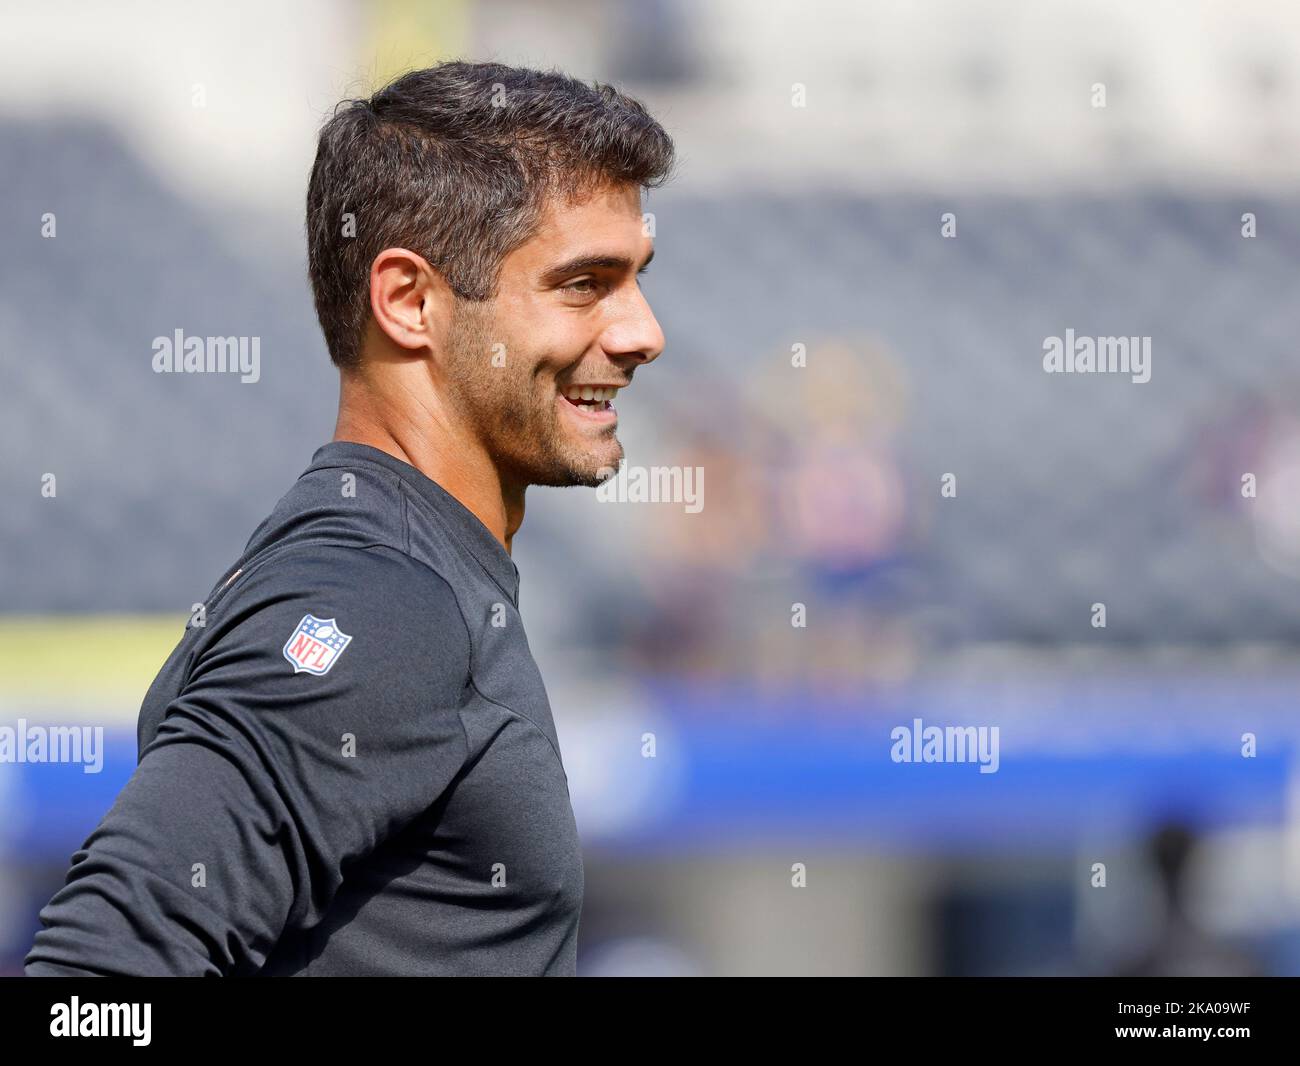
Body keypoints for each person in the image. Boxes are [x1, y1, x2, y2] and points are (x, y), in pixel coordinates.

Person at [25, 59, 672, 976]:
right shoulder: (378, 603)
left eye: (637, 277)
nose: (643, 331)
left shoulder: (404, 569)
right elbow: (98, 975)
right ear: (410, 302)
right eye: (583, 283)